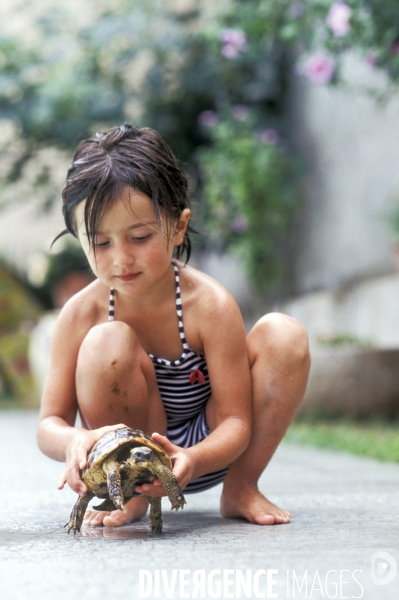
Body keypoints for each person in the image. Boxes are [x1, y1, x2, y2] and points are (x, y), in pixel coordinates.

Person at [37, 124, 310, 528]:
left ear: (178, 227)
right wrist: (74, 440)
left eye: (140, 236)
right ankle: (128, 496)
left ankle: (241, 488)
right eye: (101, 242)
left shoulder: (208, 305)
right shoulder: (81, 314)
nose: (122, 258)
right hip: (129, 456)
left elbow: (236, 420)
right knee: (105, 342)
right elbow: (49, 424)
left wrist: (196, 457)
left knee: (285, 334)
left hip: (211, 451)